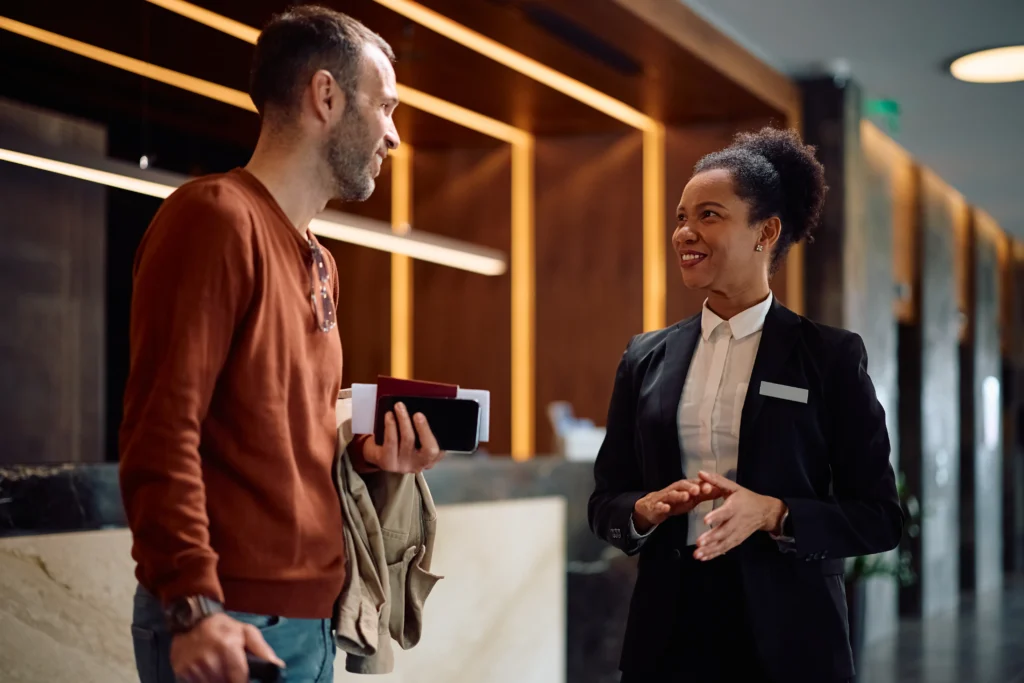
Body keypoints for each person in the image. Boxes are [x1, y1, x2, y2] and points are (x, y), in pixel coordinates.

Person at [119, 7, 444, 683]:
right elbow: (160, 432)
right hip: (231, 620)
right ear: (325, 96)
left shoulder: (319, 260)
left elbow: (281, 436)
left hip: (310, 621)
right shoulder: (215, 217)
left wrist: (370, 456)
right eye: (385, 106)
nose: (394, 134)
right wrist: (195, 607)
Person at [587, 127, 903, 683]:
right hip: (668, 633)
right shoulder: (645, 356)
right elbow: (606, 499)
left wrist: (775, 513)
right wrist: (643, 510)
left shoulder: (828, 357)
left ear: (767, 232)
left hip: (790, 638)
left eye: (709, 215)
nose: (685, 231)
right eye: (681, 216)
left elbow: (878, 518)